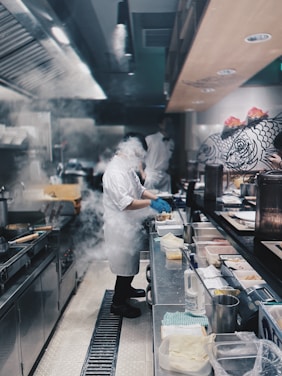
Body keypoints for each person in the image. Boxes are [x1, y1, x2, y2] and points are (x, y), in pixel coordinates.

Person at [102, 133, 171, 318]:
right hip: (119, 227)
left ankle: (126, 290)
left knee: (130, 262)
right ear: (130, 149)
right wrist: (150, 204)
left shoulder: (126, 167)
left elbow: (139, 189)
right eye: (140, 154)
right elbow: (125, 203)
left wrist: (157, 198)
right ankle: (118, 303)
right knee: (124, 265)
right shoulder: (114, 171)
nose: (140, 158)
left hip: (129, 224)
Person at [141, 115, 175, 193]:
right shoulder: (150, 139)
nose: (169, 125)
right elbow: (140, 157)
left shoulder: (171, 142)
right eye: (167, 122)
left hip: (164, 177)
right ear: (160, 125)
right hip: (151, 175)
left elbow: (169, 160)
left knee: (166, 201)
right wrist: (142, 173)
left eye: (170, 123)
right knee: (150, 201)